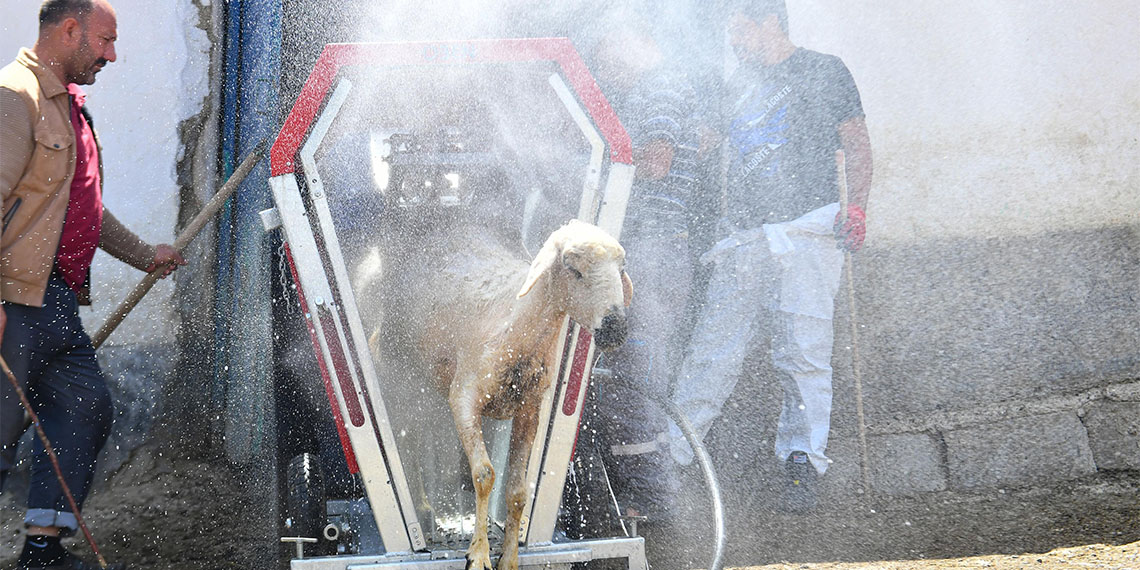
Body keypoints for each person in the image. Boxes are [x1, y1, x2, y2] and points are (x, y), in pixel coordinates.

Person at [1, 1, 186, 568]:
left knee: (84, 407)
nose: (112, 55)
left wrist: (144, 256)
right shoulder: (15, 97)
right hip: (13, 300)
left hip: (54, 298)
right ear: (69, 30)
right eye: (105, 40)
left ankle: (43, 550)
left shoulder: (68, 107)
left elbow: (82, 209)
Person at [668, 0, 872, 509]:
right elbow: (701, 145)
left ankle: (803, 461)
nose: (734, 43)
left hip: (810, 233)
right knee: (712, 350)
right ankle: (672, 457)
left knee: (804, 353)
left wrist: (858, 209)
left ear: (770, 24)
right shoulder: (733, 83)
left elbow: (857, 144)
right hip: (744, 236)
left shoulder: (825, 70)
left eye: (741, 32)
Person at [584, 20, 704, 525]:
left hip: (654, 257)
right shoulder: (653, 91)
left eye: (608, 52)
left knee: (636, 379)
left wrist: (592, 167)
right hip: (648, 255)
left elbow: (655, 161)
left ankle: (655, 500)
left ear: (635, 42)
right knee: (624, 382)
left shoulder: (661, 86)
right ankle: (642, 497)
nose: (604, 65)